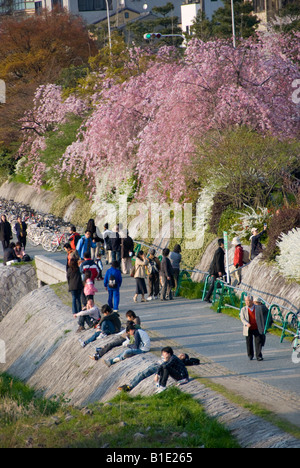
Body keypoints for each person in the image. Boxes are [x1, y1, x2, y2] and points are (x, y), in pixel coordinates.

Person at [118, 350, 198, 392]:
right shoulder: (172, 357)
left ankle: (130, 386)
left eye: (183, 355)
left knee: (143, 374)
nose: (181, 354)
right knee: (141, 373)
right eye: (181, 354)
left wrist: (157, 373)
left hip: (158, 367)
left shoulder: (176, 361)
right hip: (156, 364)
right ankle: (129, 384)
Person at [240, 295, 267, 361]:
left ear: (252, 301)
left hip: (257, 327)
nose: (247, 303)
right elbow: (242, 318)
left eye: (248, 301)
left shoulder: (258, 308)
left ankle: (259, 356)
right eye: (246, 301)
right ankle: (250, 355)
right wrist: (247, 323)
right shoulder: (243, 309)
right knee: (249, 342)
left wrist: (262, 327)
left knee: (258, 341)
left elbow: (261, 318)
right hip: (248, 328)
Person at [203, 238, 226, 303]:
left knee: (215, 284)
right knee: (214, 284)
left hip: (216, 270)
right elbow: (218, 261)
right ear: (221, 244)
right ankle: (208, 297)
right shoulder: (219, 251)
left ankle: (208, 297)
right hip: (216, 270)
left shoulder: (219, 250)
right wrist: (219, 271)